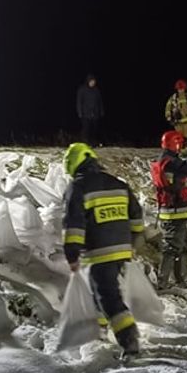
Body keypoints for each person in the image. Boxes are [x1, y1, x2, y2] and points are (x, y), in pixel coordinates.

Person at [62, 142, 145, 355]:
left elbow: (74, 224)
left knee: (108, 295)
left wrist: (71, 252)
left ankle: (129, 339)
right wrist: (135, 240)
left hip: (101, 251)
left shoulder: (78, 187)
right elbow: (136, 214)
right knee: (99, 288)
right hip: (122, 250)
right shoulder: (117, 183)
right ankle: (99, 328)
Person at [150, 129, 187, 290]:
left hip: (173, 211)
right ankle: (163, 283)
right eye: (180, 144)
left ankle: (180, 280)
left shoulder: (166, 160)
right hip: (174, 212)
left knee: (184, 246)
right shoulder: (172, 163)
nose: (182, 147)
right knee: (172, 248)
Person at [76, 74, 104, 144]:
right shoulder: (82, 89)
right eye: (91, 81)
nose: (93, 83)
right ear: (88, 81)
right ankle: (85, 143)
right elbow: (79, 101)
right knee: (86, 129)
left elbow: (100, 101)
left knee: (95, 129)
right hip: (85, 113)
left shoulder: (96, 90)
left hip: (95, 113)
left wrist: (101, 111)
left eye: (94, 81)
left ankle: (94, 143)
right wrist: (79, 112)